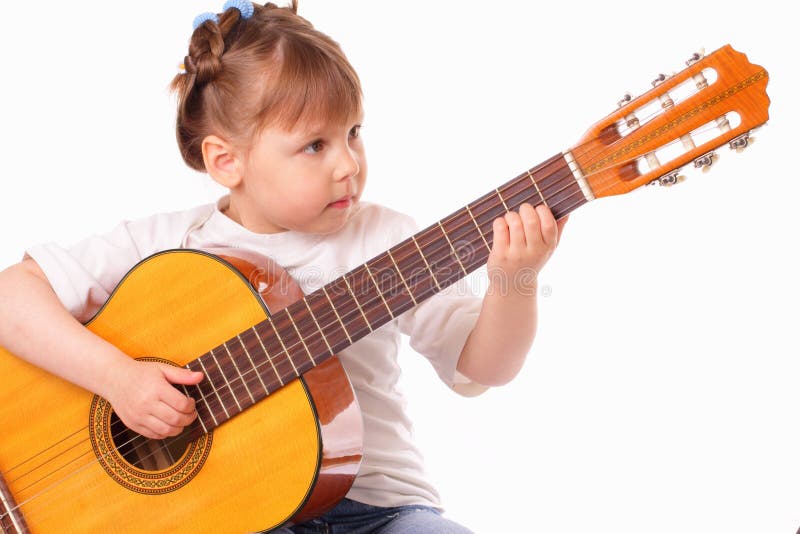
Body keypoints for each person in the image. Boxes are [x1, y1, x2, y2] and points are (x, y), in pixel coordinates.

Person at [0, 1, 566, 532]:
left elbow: (483, 368)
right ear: (226, 161)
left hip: (379, 512)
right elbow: (12, 296)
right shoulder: (171, 243)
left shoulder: (388, 240)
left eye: (353, 133)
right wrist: (118, 379)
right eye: (314, 146)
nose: (348, 164)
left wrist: (515, 281)